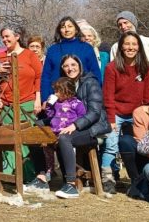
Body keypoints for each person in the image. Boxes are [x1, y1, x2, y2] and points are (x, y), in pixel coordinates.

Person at [28, 54, 110, 199]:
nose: (70, 68)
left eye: (73, 65)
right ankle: (41, 177)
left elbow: (95, 112)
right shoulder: (62, 85)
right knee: (33, 132)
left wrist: (75, 125)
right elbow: (56, 114)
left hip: (92, 128)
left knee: (64, 138)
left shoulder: (90, 83)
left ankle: (71, 184)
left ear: (79, 65)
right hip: (65, 123)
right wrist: (49, 107)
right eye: (66, 66)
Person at [0, 25, 41, 182]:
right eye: (2, 37)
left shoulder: (29, 55)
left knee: (25, 140)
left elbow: (39, 76)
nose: (4, 39)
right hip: (6, 105)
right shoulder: (0, 55)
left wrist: (38, 99)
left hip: (27, 103)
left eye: (7, 36)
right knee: (7, 139)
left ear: (17, 36)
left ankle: (28, 177)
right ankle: (8, 176)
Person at [100, 31, 149, 193]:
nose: (130, 47)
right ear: (121, 47)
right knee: (111, 146)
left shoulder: (145, 67)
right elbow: (108, 95)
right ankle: (108, 178)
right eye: (127, 44)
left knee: (141, 144)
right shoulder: (112, 67)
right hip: (116, 111)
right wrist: (111, 119)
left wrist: (145, 118)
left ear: (139, 47)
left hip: (137, 112)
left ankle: (140, 177)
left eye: (134, 44)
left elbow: (147, 96)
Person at [40, 16, 101, 101]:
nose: (66, 29)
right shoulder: (53, 50)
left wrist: (96, 96)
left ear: (76, 29)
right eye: (63, 27)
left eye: (70, 26)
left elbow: (95, 73)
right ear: (59, 30)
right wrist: (45, 99)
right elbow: (46, 76)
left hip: (83, 97)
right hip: (57, 97)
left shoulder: (86, 48)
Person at [109, 11, 149, 78]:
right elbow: (114, 70)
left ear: (133, 23)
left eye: (126, 23)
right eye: (120, 25)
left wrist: (144, 72)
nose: (123, 26)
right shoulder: (115, 47)